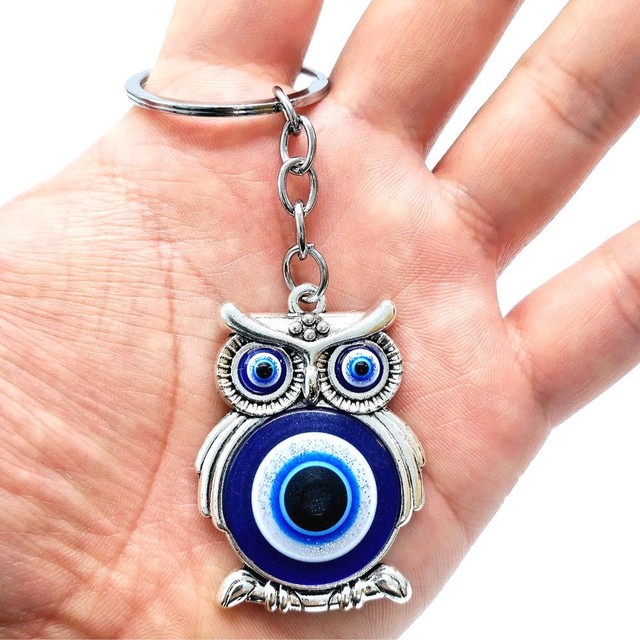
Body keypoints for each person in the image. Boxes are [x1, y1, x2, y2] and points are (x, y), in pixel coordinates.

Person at [1, 0, 639, 637]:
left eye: (357, 369)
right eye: (266, 371)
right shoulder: (233, 442)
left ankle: (347, 580)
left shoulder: (386, 436)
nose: (309, 385)